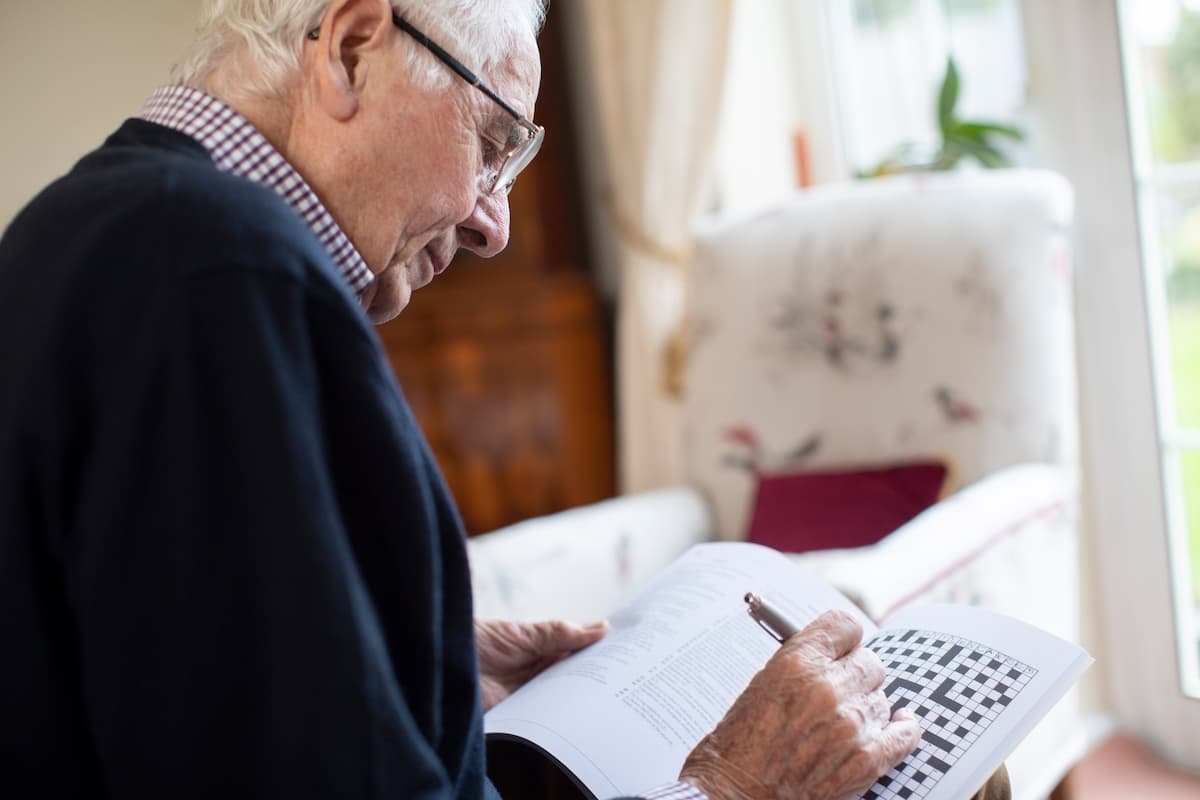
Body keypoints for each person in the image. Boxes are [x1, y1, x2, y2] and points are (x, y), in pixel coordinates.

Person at [0, 1, 1012, 798]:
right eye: (492, 141)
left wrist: (416, 658)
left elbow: (173, 684)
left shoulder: (88, 225)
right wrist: (733, 784)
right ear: (353, 46)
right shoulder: (221, 269)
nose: (495, 225)